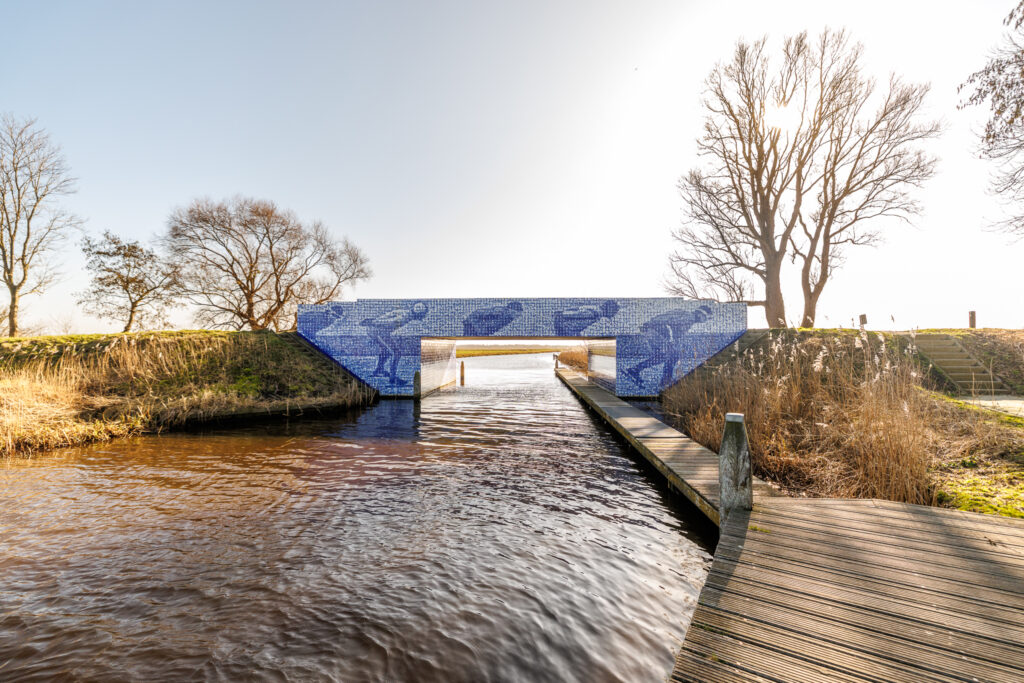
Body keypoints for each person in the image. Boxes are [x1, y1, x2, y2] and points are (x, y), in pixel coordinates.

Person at [623, 304, 713, 388]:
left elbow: (675, 331)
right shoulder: (688, 317)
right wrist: (670, 339)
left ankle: (636, 371)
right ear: (700, 314)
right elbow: (667, 324)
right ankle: (664, 380)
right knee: (671, 355)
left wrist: (673, 341)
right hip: (655, 332)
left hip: (654, 331)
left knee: (668, 355)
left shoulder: (688, 318)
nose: (705, 321)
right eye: (706, 318)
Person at [360, 302, 429, 384]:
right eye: (423, 315)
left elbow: (388, 316)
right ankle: (392, 378)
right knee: (396, 353)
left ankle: (379, 370)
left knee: (386, 351)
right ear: (418, 314)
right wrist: (372, 322)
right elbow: (389, 322)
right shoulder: (405, 317)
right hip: (377, 331)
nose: (423, 317)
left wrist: (373, 321)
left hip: (379, 331)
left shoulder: (405, 312)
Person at [552, 300, 619, 336]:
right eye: (614, 312)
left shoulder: (595, 309)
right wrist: (563, 314)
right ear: (609, 309)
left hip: (564, 324)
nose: (613, 315)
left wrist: (563, 312)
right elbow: (578, 314)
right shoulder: (596, 313)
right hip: (564, 326)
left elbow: (577, 309)